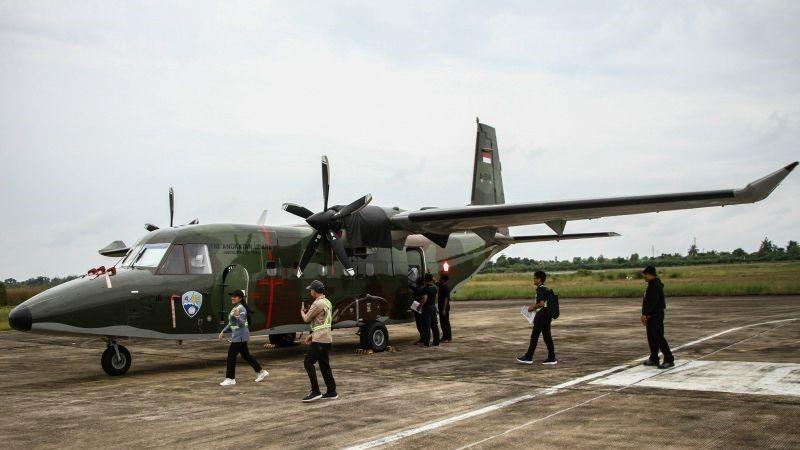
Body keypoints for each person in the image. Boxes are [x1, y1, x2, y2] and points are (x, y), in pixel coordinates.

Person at [218, 290, 269, 386]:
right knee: (246, 355)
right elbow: (231, 323)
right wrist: (223, 331)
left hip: (240, 336)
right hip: (240, 335)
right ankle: (261, 372)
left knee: (231, 356)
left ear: (240, 298)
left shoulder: (241, 309)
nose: (232, 298)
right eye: (232, 296)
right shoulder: (236, 307)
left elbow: (241, 324)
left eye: (235, 296)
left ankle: (230, 378)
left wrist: (237, 316)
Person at [299, 279, 338, 402]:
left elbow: (306, 319)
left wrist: (302, 311)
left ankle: (315, 391)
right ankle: (332, 391)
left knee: (308, 362)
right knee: (324, 365)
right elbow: (322, 322)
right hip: (326, 338)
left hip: (320, 339)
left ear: (315, 291)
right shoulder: (327, 301)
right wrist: (312, 335)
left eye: (311, 289)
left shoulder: (317, 303)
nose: (310, 291)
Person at [516, 270, 557, 365]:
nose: (533, 280)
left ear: (539, 279)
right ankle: (552, 357)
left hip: (541, 316)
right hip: (547, 316)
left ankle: (528, 357)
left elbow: (541, 303)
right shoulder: (545, 288)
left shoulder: (540, 289)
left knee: (534, 336)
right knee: (547, 338)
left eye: (535, 278)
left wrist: (532, 308)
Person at [641, 266, 674, 369]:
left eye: (645, 274)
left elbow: (653, 302)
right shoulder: (651, 285)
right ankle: (654, 358)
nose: (644, 277)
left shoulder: (655, 285)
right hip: (651, 315)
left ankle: (669, 359)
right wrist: (645, 314)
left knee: (659, 337)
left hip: (655, 315)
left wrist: (646, 314)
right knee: (652, 338)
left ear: (650, 274)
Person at [419, 273, 440, 347]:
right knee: (434, 325)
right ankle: (436, 342)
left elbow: (424, 298)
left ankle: (426, 343)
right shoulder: (434, 287)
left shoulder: (425, 288)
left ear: (425, 279)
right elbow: (436, 298)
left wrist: (419, 305)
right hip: (433, 306)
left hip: (427, 308)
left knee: (426, 326)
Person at [437, 274, 452, 343]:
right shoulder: (442, 286)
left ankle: (448, 337)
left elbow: (446, 299)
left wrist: (444, 309)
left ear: (443, 280)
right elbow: (436, 283)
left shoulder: (445, 288)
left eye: (440, 279)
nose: (439, 279)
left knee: (445, 323)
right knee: (443, 323)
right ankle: (445, 337)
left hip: (444, 308)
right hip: (441, 308)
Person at [412, 276, 425, 345]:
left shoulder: (418, 289)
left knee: (419, 324)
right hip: (423, 308)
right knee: (422, 324)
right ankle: (423, 338)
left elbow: (414, 289)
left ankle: (423, 338)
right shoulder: (424, 288)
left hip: (418, 307)